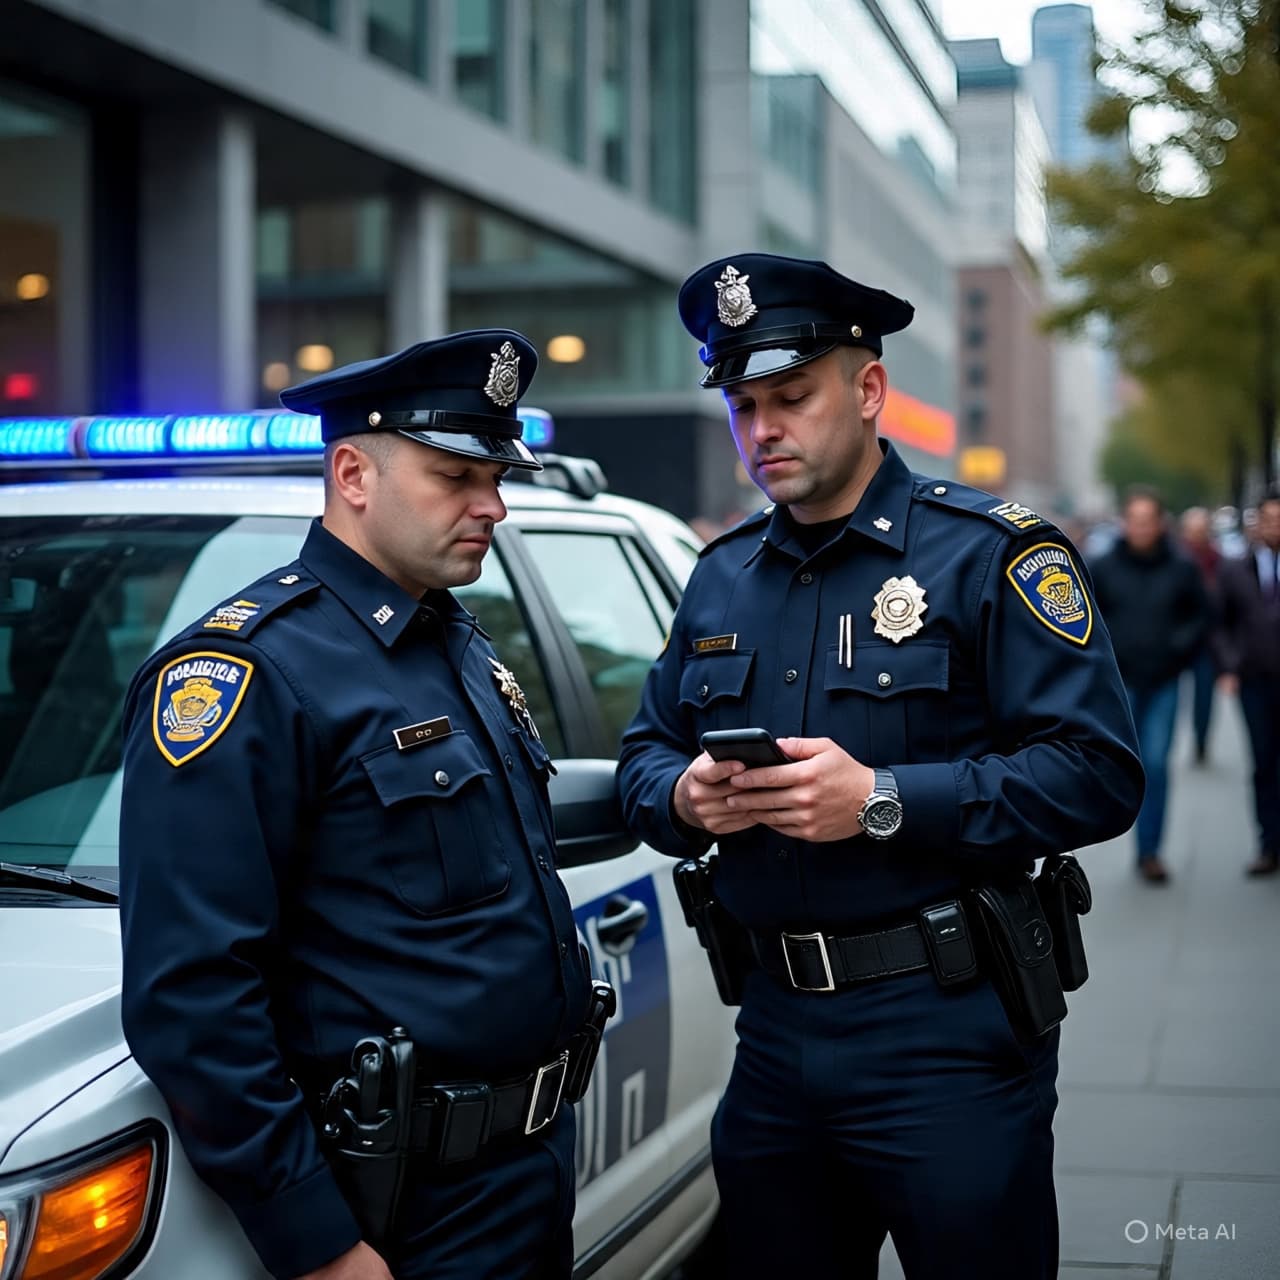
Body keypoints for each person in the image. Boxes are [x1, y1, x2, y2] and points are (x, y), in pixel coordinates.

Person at [617, 252, 1143, 1280]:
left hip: (944, 1031)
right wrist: (683, 793)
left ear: (865, 391)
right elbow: (644, 750)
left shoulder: (988, 552)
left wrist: (883, 799)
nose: (760, 428)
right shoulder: (719, 576)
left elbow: (1098, 770)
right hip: (771, 1031)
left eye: (789, 396)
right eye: (740, 402)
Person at [118, 332, 598, 1280]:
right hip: (397, 1206)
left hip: (523, 1167)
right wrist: (320, 1242)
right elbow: (193, 997)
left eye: (496, 474)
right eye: (456, 474)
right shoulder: (251, 672)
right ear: (352, 472)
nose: (493, 505)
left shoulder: (450, 640)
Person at [1091, 488, 1210, 882]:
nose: (1140, 527)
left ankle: (1150, 851)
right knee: (1121, 766)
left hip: (1163, 681)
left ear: (1160, 523)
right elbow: (1084, 620)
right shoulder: (1102, 566)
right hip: (1119, 684)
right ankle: (1122, 835)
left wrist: (1177, 649)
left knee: (1156, 764)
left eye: (1148, 520)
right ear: (1124, 522)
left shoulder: (1182, 566)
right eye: (1134, 519)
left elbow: (1201, 615)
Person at [1213, 491, 1280, 876]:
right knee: (1263, 761)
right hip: (1254, 680)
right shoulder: (1234, 569)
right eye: (1267, 519)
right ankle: (1269, 844)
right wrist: (1228, 666)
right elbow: (1220, 623)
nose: (1272, 527)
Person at [1178, 506, 1222, 764]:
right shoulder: (1176, 558)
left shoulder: (1219, 561)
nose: (1197, 536)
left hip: (1206, 641)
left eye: (1202, 531)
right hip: (1176, 640)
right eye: (1193, 531)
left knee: (1204, 697)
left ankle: (1201, 740)